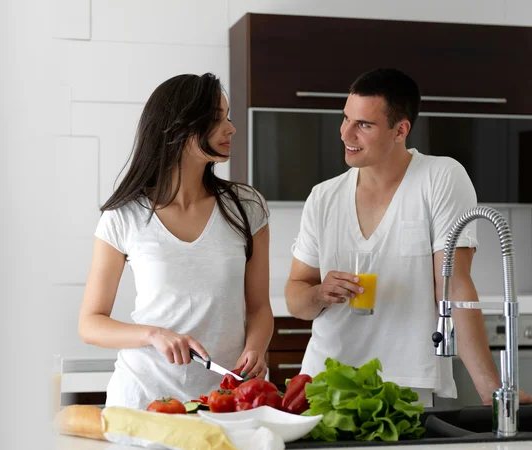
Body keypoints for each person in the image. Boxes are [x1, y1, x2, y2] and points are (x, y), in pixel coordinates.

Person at [284, 68, 532, 407]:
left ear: (401, 130)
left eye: (363, 125)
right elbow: (295, 298)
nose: (346, 133)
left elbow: (454, 285)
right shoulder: (323, 197)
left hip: (404, 385)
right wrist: (320, 293)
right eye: (345, 119)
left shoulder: (440, 177)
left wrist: (489, 387)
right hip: (325, 380)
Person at [78, 73, 273, 410]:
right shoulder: (124, 216)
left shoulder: (246, 207)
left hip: (227, 399)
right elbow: (91, 323)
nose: (231, 128)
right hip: (144, 397)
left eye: (228, 117)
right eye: (217, 119)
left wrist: (256, 347)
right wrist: (152, 334)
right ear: (180, 128)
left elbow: (258, 308)